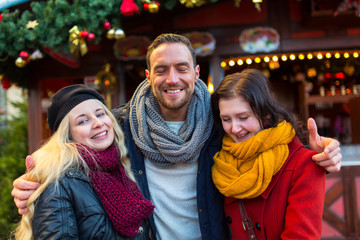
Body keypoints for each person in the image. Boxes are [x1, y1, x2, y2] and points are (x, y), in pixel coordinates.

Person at [12, 33, 341, 240]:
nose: (173, 78)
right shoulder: (119, 126)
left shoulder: (218, 122)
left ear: (196, 73)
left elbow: (267, 139)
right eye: (161, 69)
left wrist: (325, 150)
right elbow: (72, 161)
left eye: (182, 68)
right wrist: (32, 187)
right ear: (148, 75)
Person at [12, 84, 154, 240]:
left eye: (100, 114)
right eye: (83, 121)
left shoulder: (124, 167)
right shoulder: (59, 182)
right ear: (68, 136)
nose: (98, 123)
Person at [211, 69, 326, 239]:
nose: (234, 128)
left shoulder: (303, 164)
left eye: (243, 117)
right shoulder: (222, 161)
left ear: (265, 114)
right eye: (226, 119)